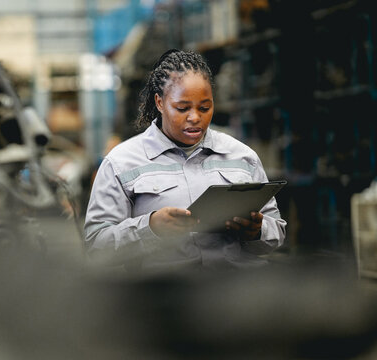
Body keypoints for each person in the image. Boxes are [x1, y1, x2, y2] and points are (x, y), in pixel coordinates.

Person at [84, 49, 286, 272]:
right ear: (160, 103)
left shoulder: (242, 156)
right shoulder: (121, 163)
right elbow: (97, 246)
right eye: (182, 108)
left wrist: (257, 230)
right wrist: (150, 227)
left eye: (205, 108)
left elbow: (275, 233)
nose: (195, 118)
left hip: (237, 295)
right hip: (165, 295)